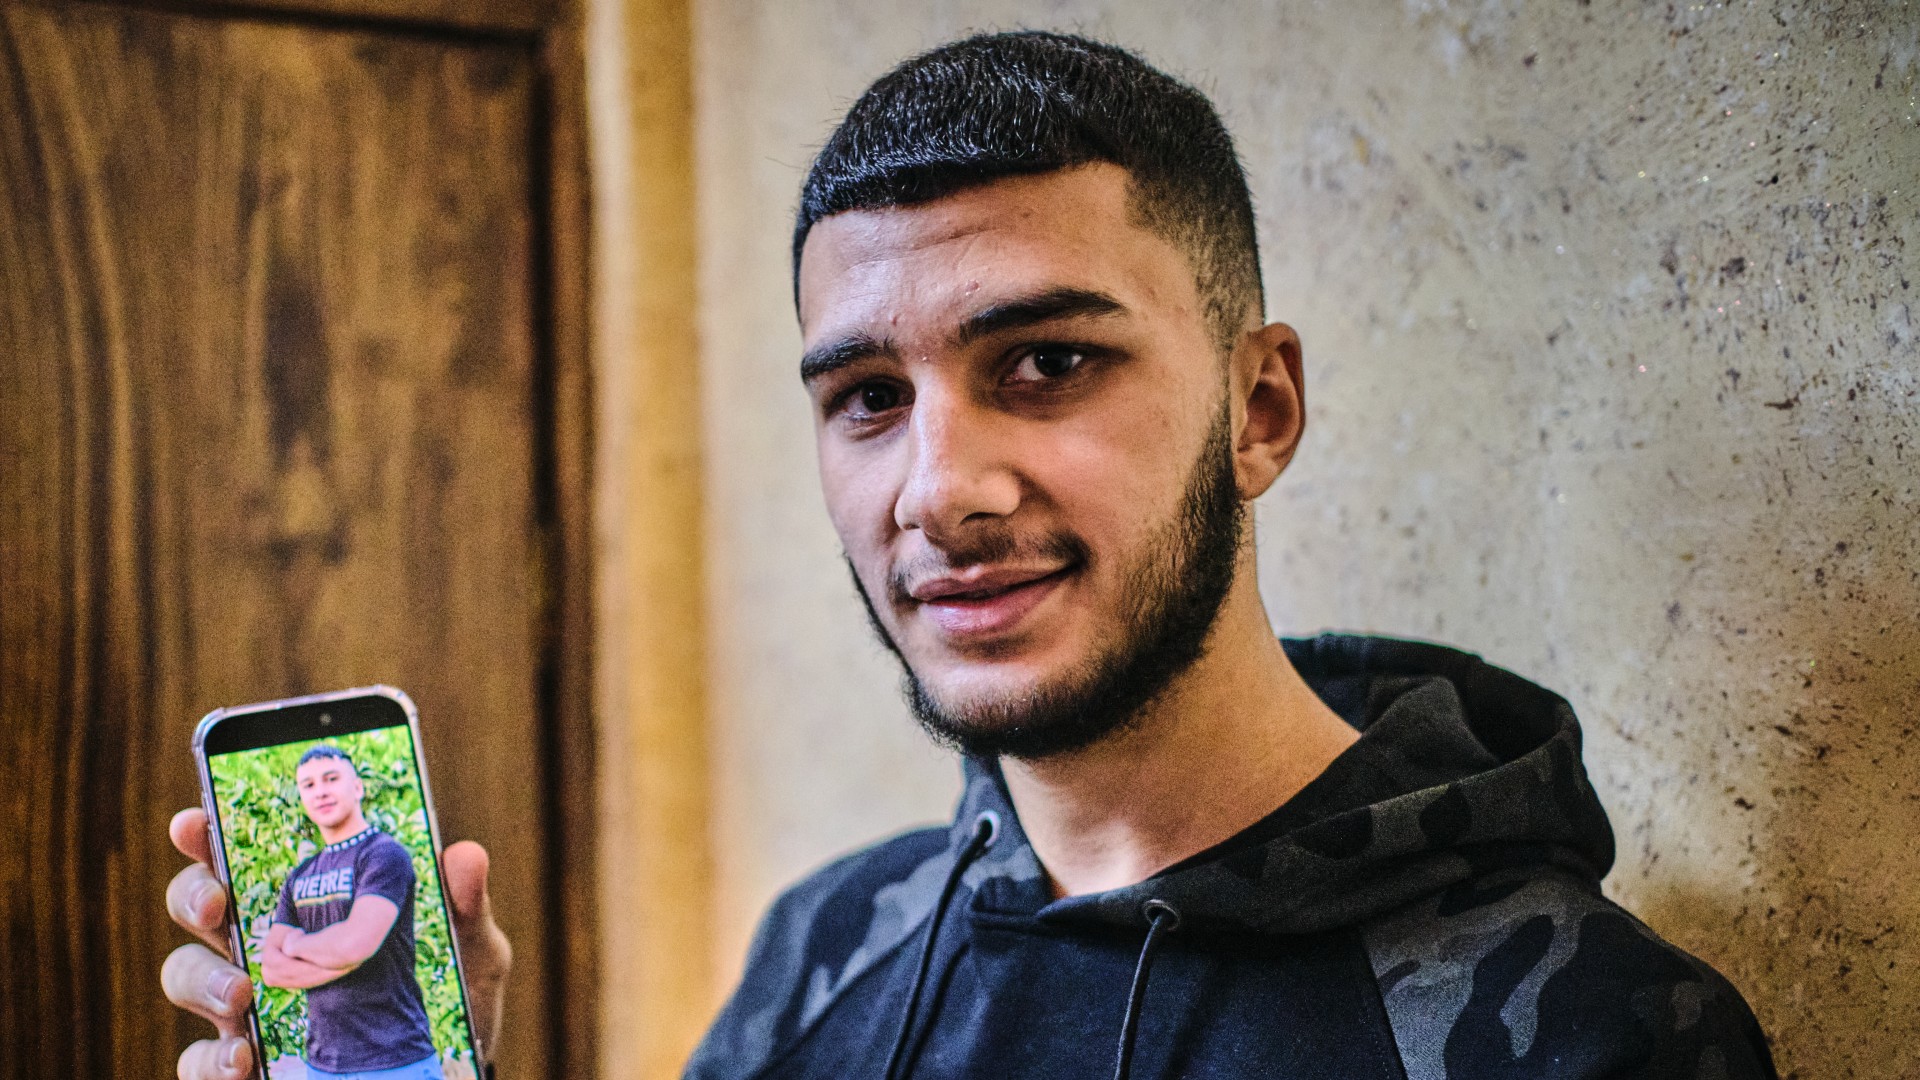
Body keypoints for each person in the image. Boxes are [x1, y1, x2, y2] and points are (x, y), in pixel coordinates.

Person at [165, 30, 1775, 1079]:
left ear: (1258, 408)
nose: (938, 489)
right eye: (868, 397)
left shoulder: (1590, 1036)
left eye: (1047, 364)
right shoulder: (826, 952)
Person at [256, 746, 443, 1080]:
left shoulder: (384, 855)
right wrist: (341, 953)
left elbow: (356, 945)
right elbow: (271, 970)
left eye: (331, 779)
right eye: (308, 785)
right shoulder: (300, 875)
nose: (321, 791)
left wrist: (298, 945)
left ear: (357, 787)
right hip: (323, 1066)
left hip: (396, 1062)